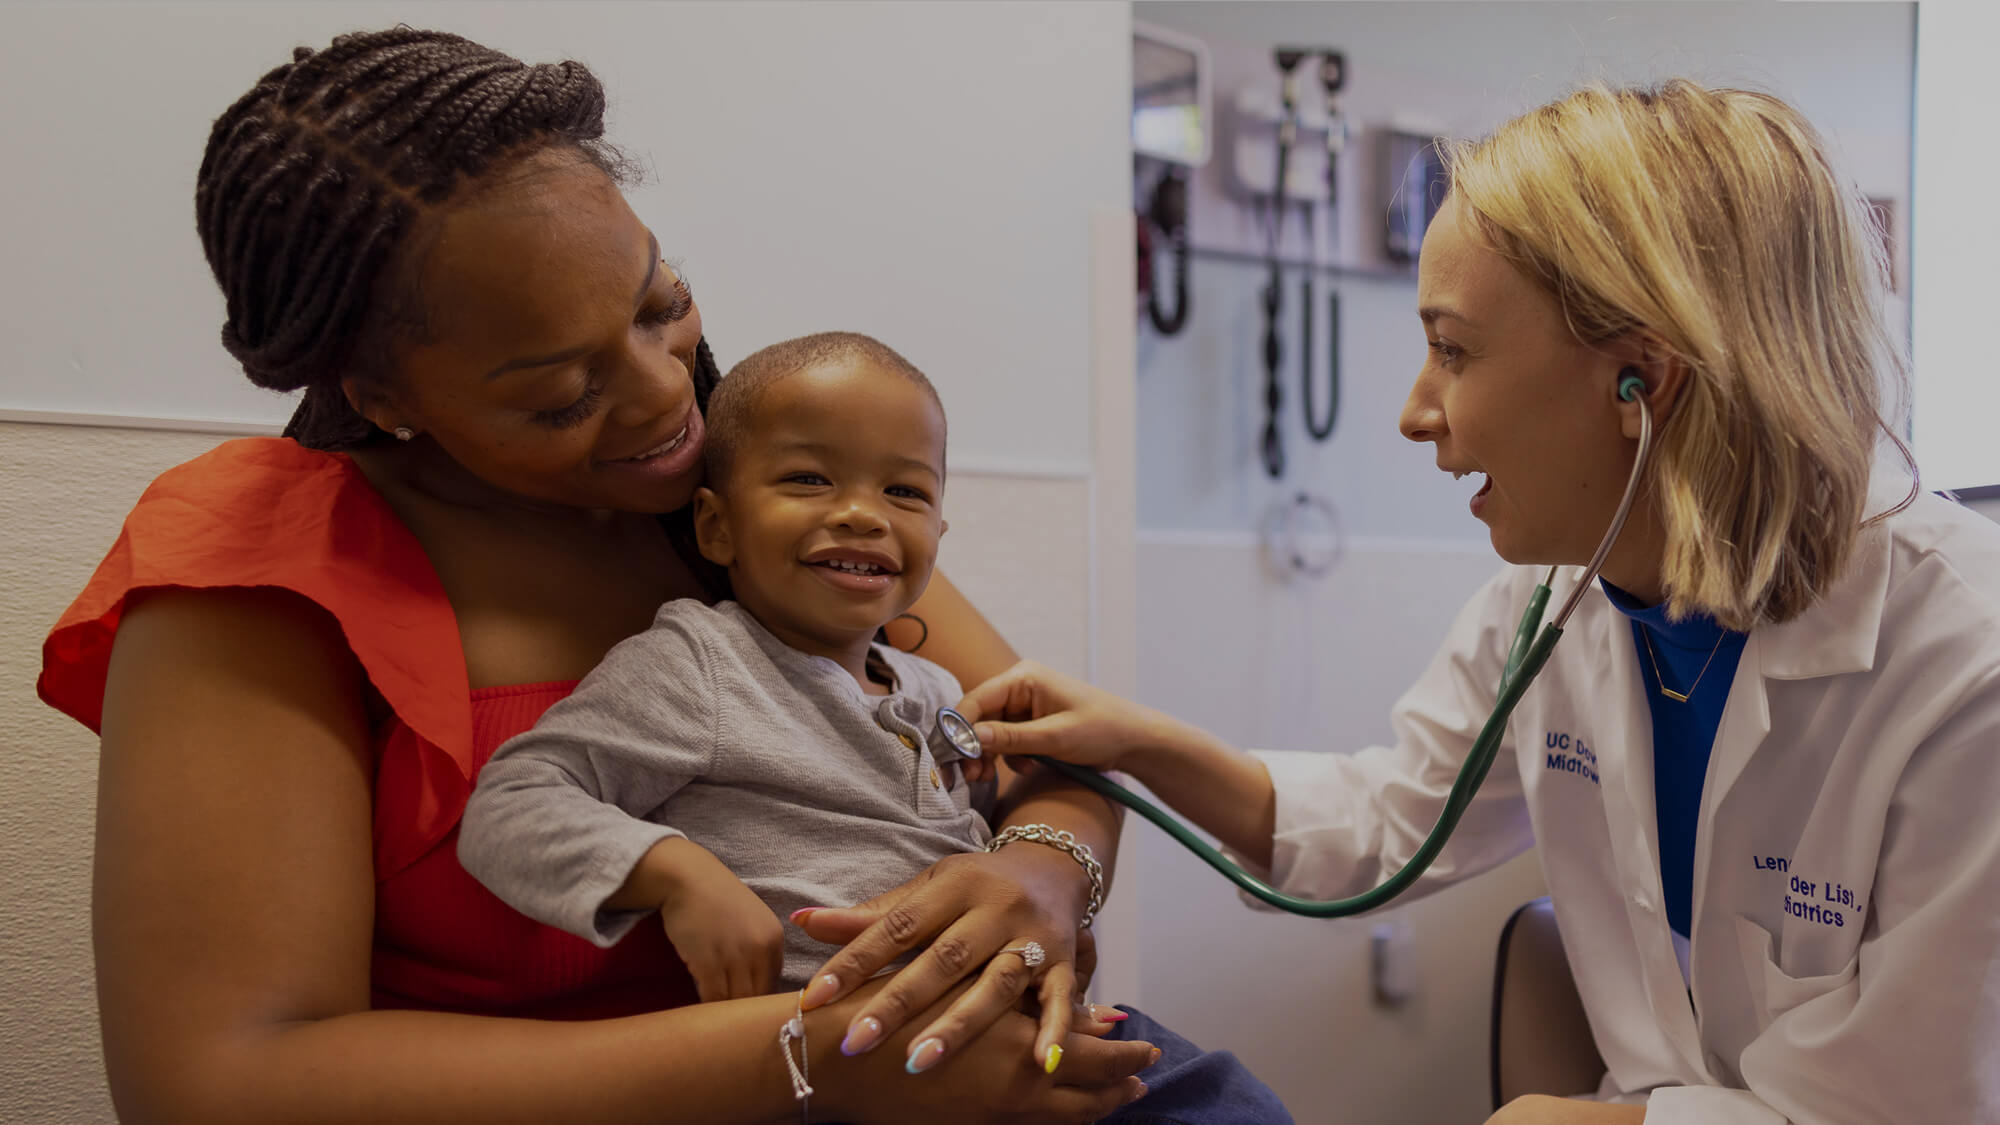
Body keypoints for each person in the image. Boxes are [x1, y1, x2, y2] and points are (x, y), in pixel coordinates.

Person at [38, 29, 1157, 1124]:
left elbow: (1048, 751)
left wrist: (1039, 874)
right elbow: (216, 1083)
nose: (666, 400)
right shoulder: (265, 571)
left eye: (659, 304)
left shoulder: (762, 488)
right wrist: (811, 1054)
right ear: (383, 395)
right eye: (561, 395)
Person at [958, 80, 2000, 1125]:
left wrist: (1595, 1124)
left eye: (1451, 350)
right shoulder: (1555, 605)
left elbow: (1915, 1102)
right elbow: (1391, 824)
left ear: (1641, 381)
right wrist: (1131, 744)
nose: (1415, 414)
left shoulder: (1964, 666)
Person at [456, 332, 1290, 1120]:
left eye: (905, 491)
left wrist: (1049, 898)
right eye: (809, 480)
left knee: (1234, 1105)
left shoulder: (935, 689)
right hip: (857, 1061)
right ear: (717, 525)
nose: (862, 513)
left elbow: (1052, 794)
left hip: (1016, 1021)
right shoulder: (700, 662)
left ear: (937, 535)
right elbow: (513, 800)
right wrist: (673, 872)